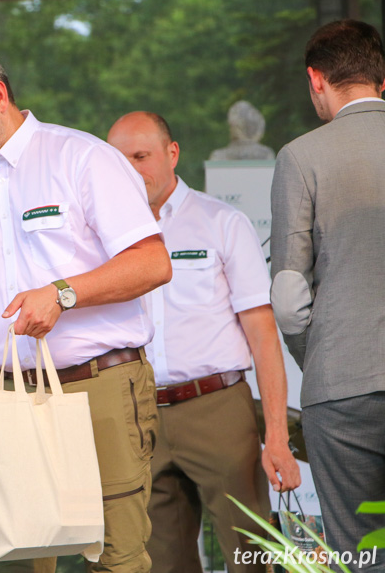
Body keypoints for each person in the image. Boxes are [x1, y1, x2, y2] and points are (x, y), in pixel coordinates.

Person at [0, 40, 172, 573]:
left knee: (116, 560)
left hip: (96, 388)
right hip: (5, 401)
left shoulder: (82, 157)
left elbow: (152, 263)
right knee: (18, 560)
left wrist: (62, 293)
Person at [107, 112, 301, 573]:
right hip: (138, 416)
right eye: (120, 160)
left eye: (142, 156)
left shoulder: (222, 223)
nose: (132, 170)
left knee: (251, 556)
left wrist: (276, 435)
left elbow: (262, 335)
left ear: (172, 154)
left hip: (218, 409)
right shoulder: (101, 239)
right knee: (163, 563)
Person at [269, 19, 385, 570]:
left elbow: (290, 294)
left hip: (342, 389)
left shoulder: (300, 156)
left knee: (362, 550)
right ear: (380, 79)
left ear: (317, 80)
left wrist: (318, 359)